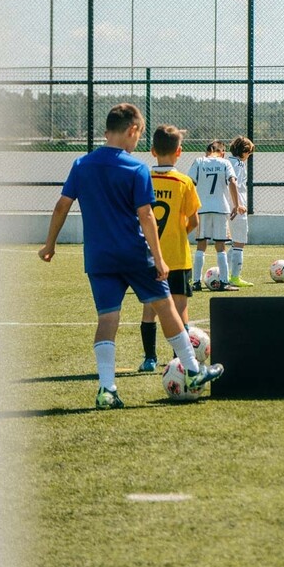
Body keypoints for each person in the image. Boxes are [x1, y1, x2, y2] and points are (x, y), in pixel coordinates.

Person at [38, 104, 224, 409]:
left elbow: (61, 206)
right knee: (166, 308)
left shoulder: (81, 164)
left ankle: (107, 390)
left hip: (99, 258)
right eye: (138, 134)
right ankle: (192, 370)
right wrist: (160, 258)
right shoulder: (136, 168)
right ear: (132, 130)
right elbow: (146, 215)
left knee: (107, 318)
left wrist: (50, 245)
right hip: (135, 255)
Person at [136, 124, 201, 373]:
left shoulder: (143, 179)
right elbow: (194, 221)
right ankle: (178, 360)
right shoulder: (184, 182)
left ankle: (150, 359)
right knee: (180, 310)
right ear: (179, 152)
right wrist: (177, 235)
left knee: (149, 309)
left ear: (152, 151)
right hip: (178, 257)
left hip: (149, 257)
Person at [189, 140, 241, 292]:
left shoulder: (199, 161)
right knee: (220, 246)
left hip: (202, 208)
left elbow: (190, 183)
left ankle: (196, 282)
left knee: (201, 245)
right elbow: (232, 182)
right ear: (222, 152)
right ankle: (224, 282)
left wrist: (190, 205)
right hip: (221, 208)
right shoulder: (225, 163)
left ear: (207, 151)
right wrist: (236, 205)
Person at [225, 136, 256, 287]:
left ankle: (222, 272)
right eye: (249, 153)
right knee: (239, 242)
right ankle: (234, 277)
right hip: (237, 208)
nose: (249, 156)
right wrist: (239, 205)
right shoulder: (237, 164)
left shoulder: (226, 162)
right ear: (244, 152)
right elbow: (234, 183)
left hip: (227, 207)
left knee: (234, 242)